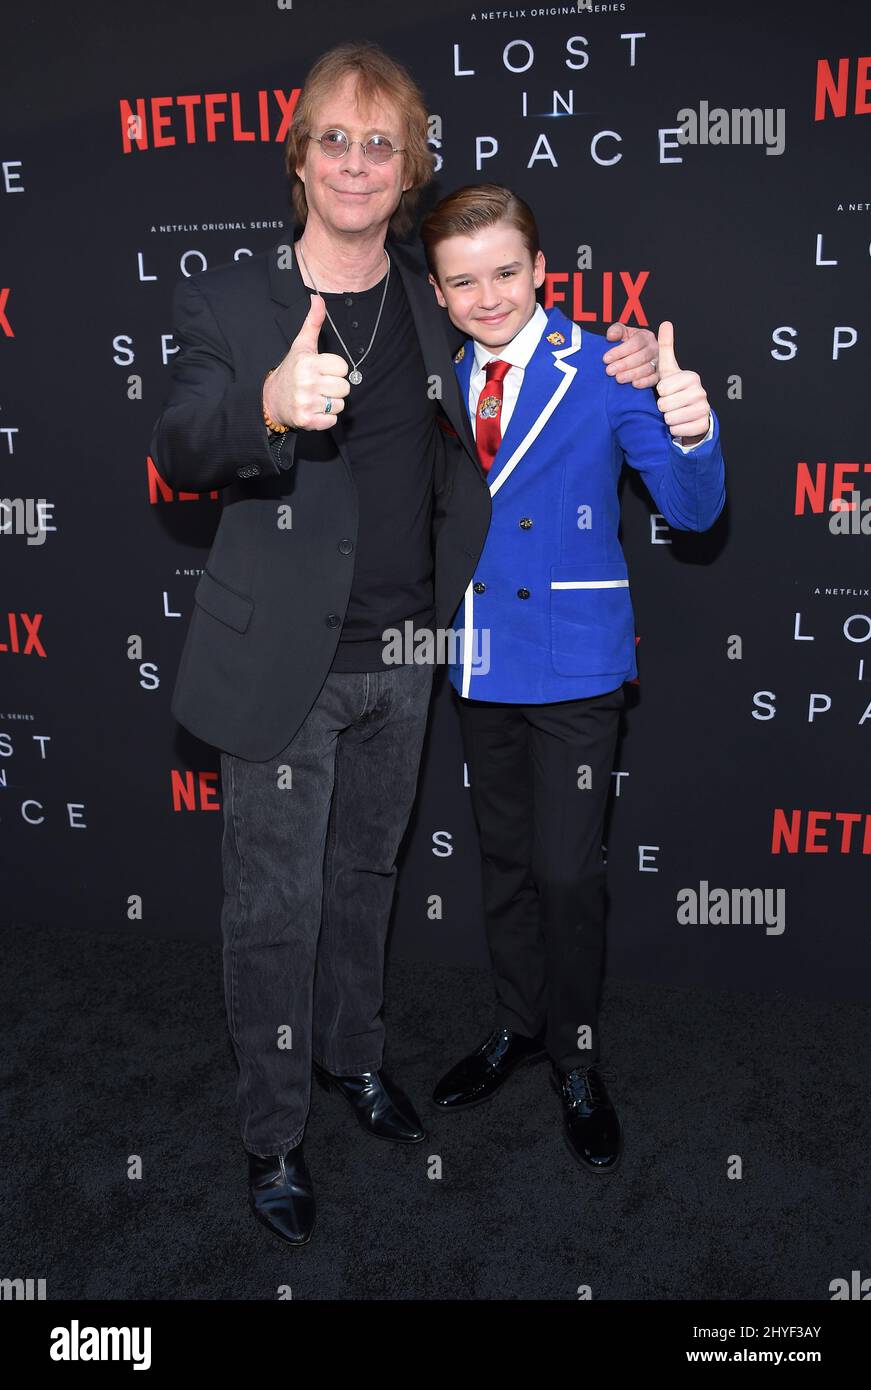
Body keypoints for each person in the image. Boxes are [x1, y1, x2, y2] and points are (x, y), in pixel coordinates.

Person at [149, 45, 664, 1245]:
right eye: (335, 137)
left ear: (408, 165)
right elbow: (180, 444)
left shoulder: (436, 309)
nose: (357, 162)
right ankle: (274, 1135)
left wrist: (635, 362)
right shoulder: (230, 301)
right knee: (273, 912)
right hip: (282, 666)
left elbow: (537, 350)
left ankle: (354, 1059)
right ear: (299, 156)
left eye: (381, 143)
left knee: (365, 886)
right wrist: (268, 407)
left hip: (409, 658)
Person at [420, 183, 725, 1174]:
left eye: (506, 271)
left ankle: (577, 1059)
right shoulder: (433, 381)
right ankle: (517, 1025)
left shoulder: (606, 365)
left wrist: (690, 425)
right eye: (463, 280)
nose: (489, 294)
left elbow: (692, 507)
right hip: (476, 662)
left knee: (565, 871)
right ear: (437, 289)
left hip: (577, 662)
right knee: (503, 868)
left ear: (542, 270)